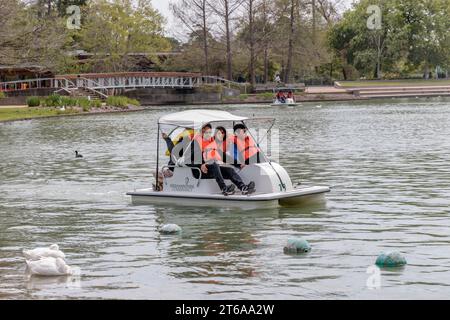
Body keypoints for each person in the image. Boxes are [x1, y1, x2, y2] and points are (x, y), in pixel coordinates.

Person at [185, 124, 255, 196]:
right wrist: (201, 165)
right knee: (214, 165)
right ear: (201, 133)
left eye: (209, 132)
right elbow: (187, 160)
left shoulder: (211, 143)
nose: (208, 134)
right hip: (198, 171)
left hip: (211, 169)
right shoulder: (195, 143)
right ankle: (224, 189)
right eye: (206, 132)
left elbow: (225, 157)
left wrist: (239, 164)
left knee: (229, 170)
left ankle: (243, 187)